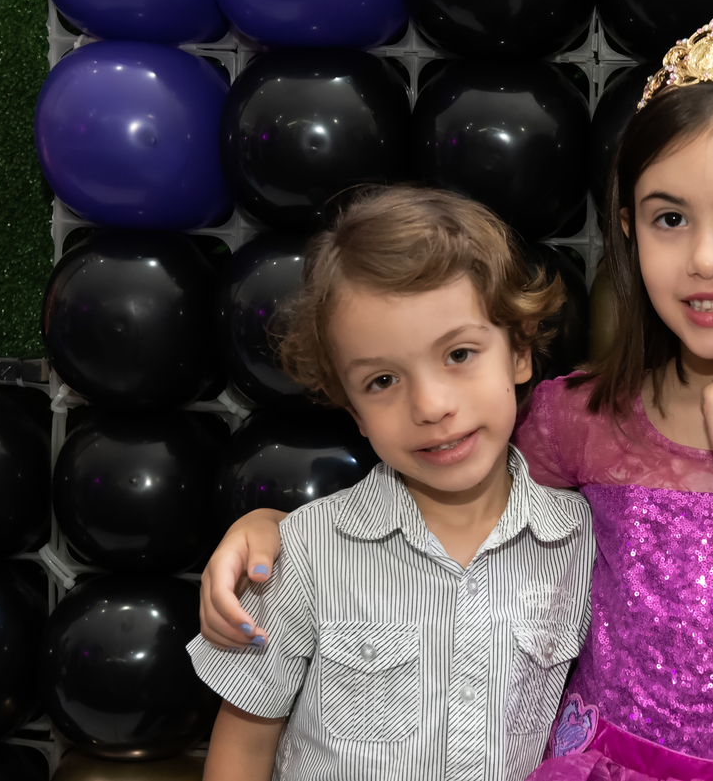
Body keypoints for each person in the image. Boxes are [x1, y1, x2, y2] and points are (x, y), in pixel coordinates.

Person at [199, 22, 713, 781]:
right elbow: (449, 523)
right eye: (669, 218)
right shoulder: (573, 416)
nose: (707, 257)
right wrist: (274, 532)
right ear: (630, 233)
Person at [187, 186, 596, 781]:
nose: (430, 406)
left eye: (459, 354)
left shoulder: (584, 546)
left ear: (519, 352)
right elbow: (243, 751)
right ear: (352, 410)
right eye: (382, 381)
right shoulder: (303, 554)